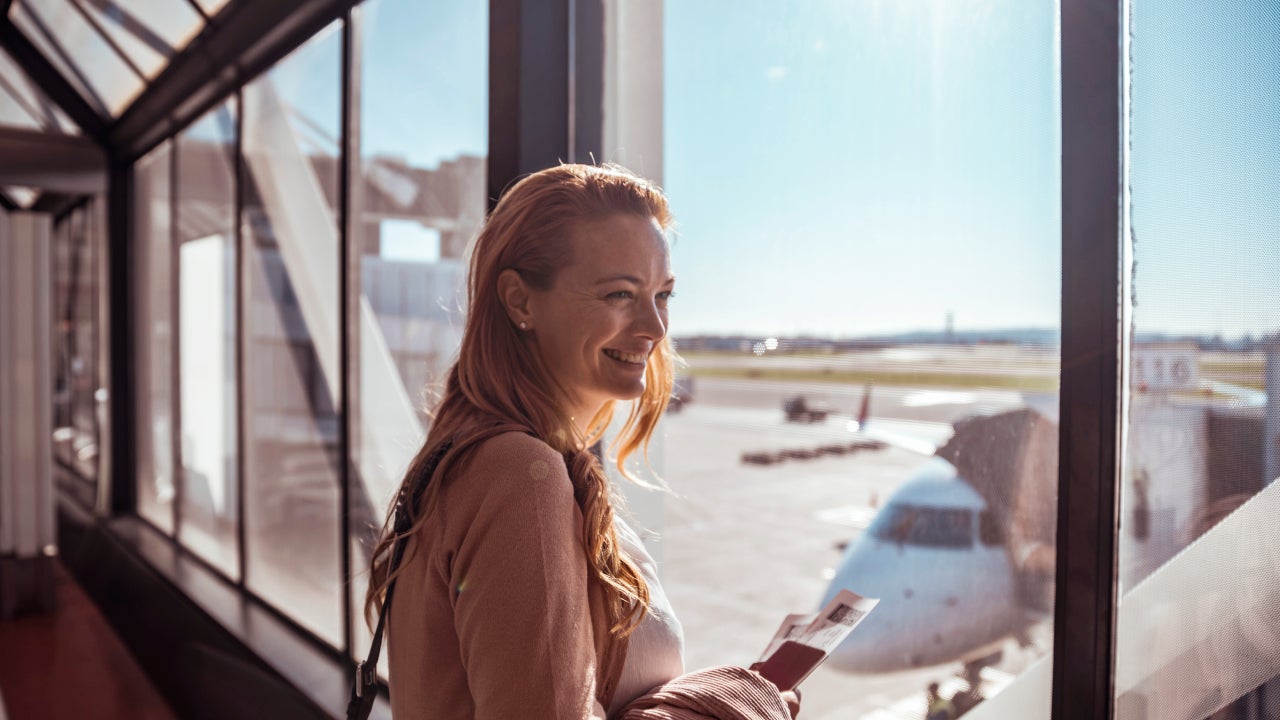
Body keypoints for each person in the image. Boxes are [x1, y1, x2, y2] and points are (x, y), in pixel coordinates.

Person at [363, 164, 800, 719]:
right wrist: (733, 704)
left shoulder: (484, 454)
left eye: (662, 294)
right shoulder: (522, 476)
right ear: (521, 302)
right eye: (620, 293)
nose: (655, 327)